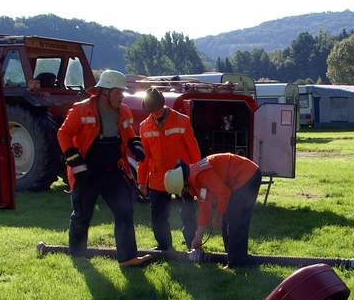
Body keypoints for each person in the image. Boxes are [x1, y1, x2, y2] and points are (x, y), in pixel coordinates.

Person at [57, 69, 152, 267]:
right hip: (86, 173)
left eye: (123, 92)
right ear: (105, 92)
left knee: (124, 211)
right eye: (119, 92)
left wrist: (136, 145)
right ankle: (78, 256)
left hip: (113, 170)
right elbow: (64, 134)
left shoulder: (124, 110)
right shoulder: (81, 109)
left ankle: (128, 258)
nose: (122, 96)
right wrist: (75, 161)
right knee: (82, 215)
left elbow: (128, 132)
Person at [163, 153, 262, 267]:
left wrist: (218, 216)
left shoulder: (200, 174)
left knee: (236, 220)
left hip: (247, 175)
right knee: (229, 220)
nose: (184, 194)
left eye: (182, 190)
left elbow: (224, 192)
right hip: (239, 180)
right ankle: (234, 256)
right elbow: (204, 208)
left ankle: (236, 263)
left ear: (183, 183)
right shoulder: (194, 181)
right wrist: (198, 238)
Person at [137, 87, 201, 251]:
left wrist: (196, 174)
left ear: (163, 105)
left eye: (157, 110)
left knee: (188, 213)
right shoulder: (144, 127)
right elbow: (143, 159)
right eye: (152, 111)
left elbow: (193, 150)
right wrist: (142, 182)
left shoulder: (182, 120)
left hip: (183, 176)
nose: (155, 114)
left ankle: (192, 244)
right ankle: (164, 247)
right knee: (158, 215)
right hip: (158, 179)